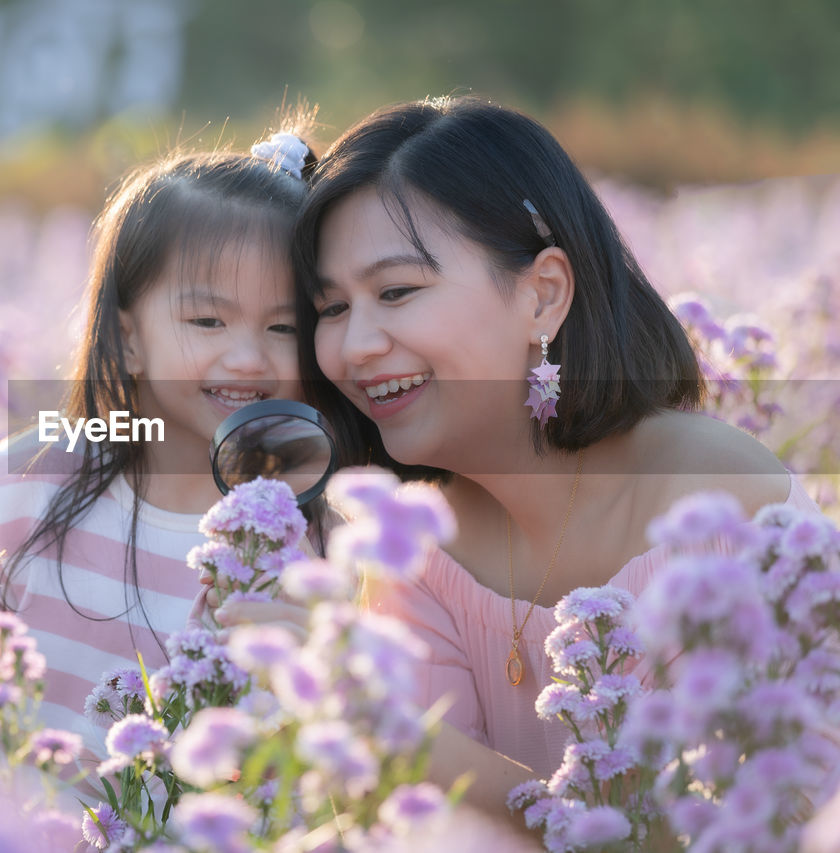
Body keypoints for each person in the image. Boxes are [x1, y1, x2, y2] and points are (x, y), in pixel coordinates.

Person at [224, 96, 824, 822]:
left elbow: (769, 816)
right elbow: (436, 827)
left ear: (543, 295)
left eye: (397, 291)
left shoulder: (721, 508)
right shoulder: (417, 552)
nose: (355, 347)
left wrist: (372, 715)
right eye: (333, 308)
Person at [0, 125, 321, 756]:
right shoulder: (51, 479)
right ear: (130, 338)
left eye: (283, 327)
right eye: (208, 320)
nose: (247, 357)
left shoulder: (302, 532)